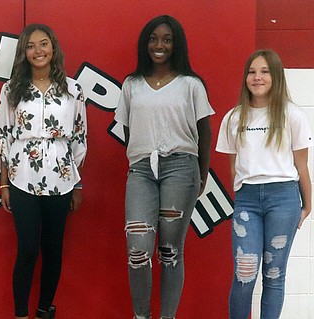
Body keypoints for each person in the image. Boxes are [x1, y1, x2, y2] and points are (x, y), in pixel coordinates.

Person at [114, 15, 214, 319]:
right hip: (142, 170)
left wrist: (202, 174)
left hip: (181, 169)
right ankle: (141, 315)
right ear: (146, 44)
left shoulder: (191, 84)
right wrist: (141, 155)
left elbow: (204, 132)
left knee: (170, 251)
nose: (160, 45)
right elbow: (129, 130)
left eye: (167, 39)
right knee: (138, 250)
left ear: (177, 44)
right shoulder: (131, 85)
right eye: (154, 39)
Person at [0, 24, 87, 319]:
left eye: (44, 44)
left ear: (53, 48)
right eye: (31, 46)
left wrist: (77, 185)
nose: (38, 51)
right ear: (24, 52)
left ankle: (42, 311)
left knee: (53, 250)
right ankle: (20, 314)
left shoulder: (73, 90)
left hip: (61, 178)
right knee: (27, 250)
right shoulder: (11, 89)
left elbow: (79, 137)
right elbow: (4, 137)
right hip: (22, 176)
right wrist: (4, 184)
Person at [216, 50, 312, 319]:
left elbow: (301, 165)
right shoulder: (234, 118)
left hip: (284, 198)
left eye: (264, 71)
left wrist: (308, 204)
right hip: (248, 200)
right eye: (252, 71)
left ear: (276, 76)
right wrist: (243, 192)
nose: (257, 77)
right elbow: (233, 167)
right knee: (244, 272)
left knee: (274, 273)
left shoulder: (292, 115)